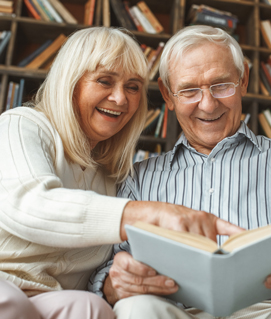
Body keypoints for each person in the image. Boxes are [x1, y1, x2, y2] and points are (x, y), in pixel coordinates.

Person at [0, 26, 241, 319]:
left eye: (133, 86)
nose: (120, 99)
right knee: (10, 302)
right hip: (6, 283)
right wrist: (149, 214)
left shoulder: (112, 176)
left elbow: (105, 272)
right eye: (104, 81)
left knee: (92, 309)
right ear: (70, 82)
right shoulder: (22, 125)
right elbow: (29, 205)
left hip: (47, 297)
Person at [89, 25, 271, 319]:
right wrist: (113, 284)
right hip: (173, 312)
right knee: (135, 307)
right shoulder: (139, 178)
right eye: (189, 91)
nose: (208, 104)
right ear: (167, 95)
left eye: (221, 85)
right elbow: (106, 267)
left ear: (243, 80)